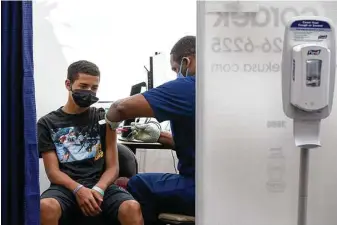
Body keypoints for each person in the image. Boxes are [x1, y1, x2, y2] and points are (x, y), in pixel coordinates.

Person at [38, 60, 143, 225]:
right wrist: (78, 189)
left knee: (131, 207)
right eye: (83, 86)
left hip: (100, 185)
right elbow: (53, 172)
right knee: (45, 207)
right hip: (65, 187)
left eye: (94, 88)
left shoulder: (105, 119)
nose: (89, 92)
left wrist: (98, 189)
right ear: (68, 84)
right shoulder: (47, 123)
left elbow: (113, 167)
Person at [105, 35, 196, 224]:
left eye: (174, 69)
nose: (175, 74)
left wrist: (108, 122)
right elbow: (200, 143)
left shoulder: (190, 86)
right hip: (237, 188)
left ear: (186, 62)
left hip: (201, 188)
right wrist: (161, 136)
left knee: (137, 183)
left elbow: (120, 108)